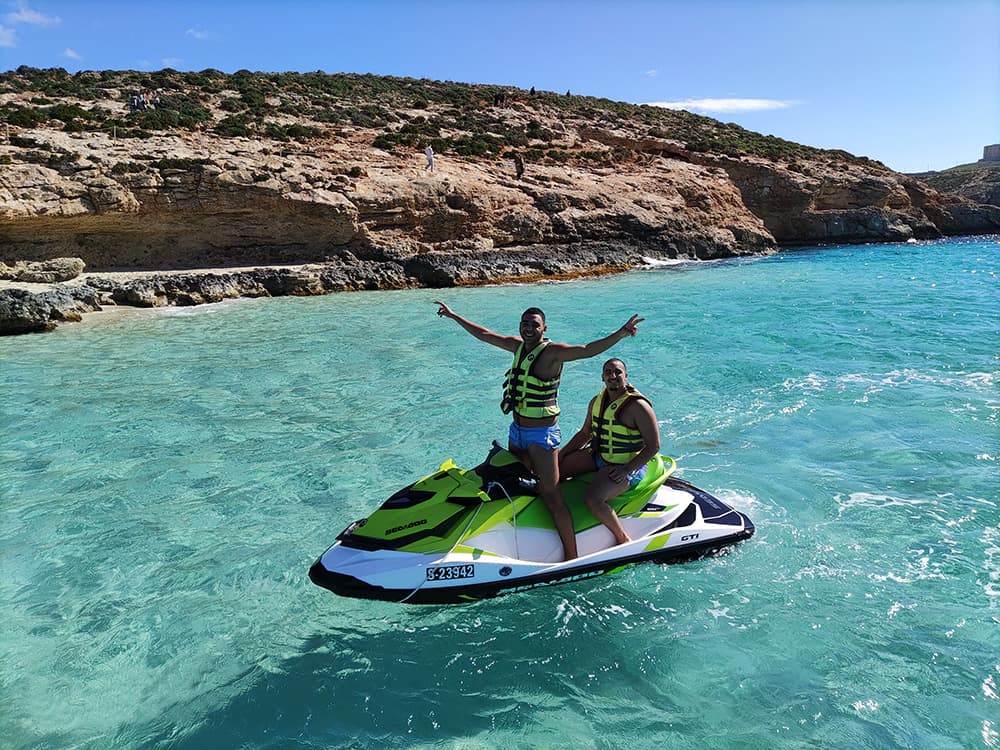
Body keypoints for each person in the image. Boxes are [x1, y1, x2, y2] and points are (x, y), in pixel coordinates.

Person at [433, 302, 644, 560]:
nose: (529, 328)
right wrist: (455, 316)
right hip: (517, 433)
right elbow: (485, 335)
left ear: (544, 328)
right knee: (519, 483)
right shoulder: (517, 347)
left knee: (551, 495)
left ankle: (571, 556)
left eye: (535, 324)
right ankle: (525, 534)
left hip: (541, 436)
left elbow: (587, 350)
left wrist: (621, 333)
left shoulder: (553, 353)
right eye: (525, 323)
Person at [558, 358, 661, 547]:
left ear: (626, 376)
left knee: (593, 499)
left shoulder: (639, 407)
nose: (613, 376)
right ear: (602, 377)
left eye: (617, 372)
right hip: (600, 457)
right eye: (608, 372)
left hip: (626, 466)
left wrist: (626, 470)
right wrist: (561, 455)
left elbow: (653, 446)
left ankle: (622, 538)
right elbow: (585, 433)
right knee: (556, 470)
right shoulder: (596, 401)